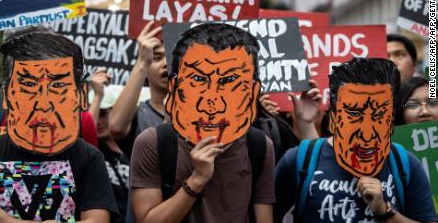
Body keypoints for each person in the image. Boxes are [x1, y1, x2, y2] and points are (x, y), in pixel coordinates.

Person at [130, 23, 275, 223]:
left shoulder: (259, 147)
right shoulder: (154, 143)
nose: (212, 100)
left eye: (229, 81)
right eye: (198, 79)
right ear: (175, 87)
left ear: (252, 92)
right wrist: (197, 179)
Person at [275, 58, 438, 222]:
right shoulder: (297, 160)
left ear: (390, 120)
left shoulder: (406, 165)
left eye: (379, 115)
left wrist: (385, 211)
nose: (367, 136)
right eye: (354, 115)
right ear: (334, 119)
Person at [0, 32, 117, 223]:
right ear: (6, 95)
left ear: (81, 96)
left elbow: (98, 220)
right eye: (28, 85)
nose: (43, 103)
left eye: (58, 85)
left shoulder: (89, 157)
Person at [109, 21, 167, 157]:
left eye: (172, 56)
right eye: (156, 58)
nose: (165, 63)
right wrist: (142, 62)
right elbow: (116, 127)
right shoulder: (137, 116)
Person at [89, 69, 129, 223]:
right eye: (96, 113)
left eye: (104, 113)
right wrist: (98, 96)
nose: (98, 121)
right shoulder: (92, 152)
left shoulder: (133, 148)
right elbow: (87, 133)